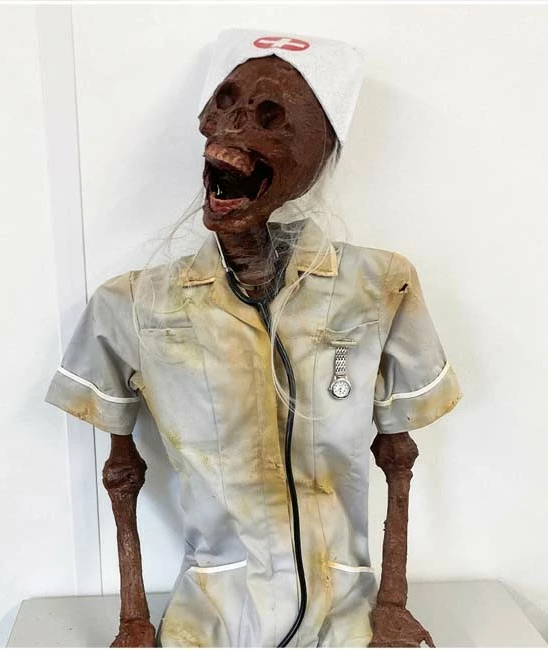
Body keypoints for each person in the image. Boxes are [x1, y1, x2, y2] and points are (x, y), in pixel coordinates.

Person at [46, 29, 462, 648]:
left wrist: (392, 605)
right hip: (209, 617)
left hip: (347, 613)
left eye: (272, 117)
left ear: (320, 154)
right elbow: (121, 467)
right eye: (225, 104)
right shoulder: (130, 304)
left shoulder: (382, 286)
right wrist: (134, 620)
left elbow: (397, 451)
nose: (236, 129)